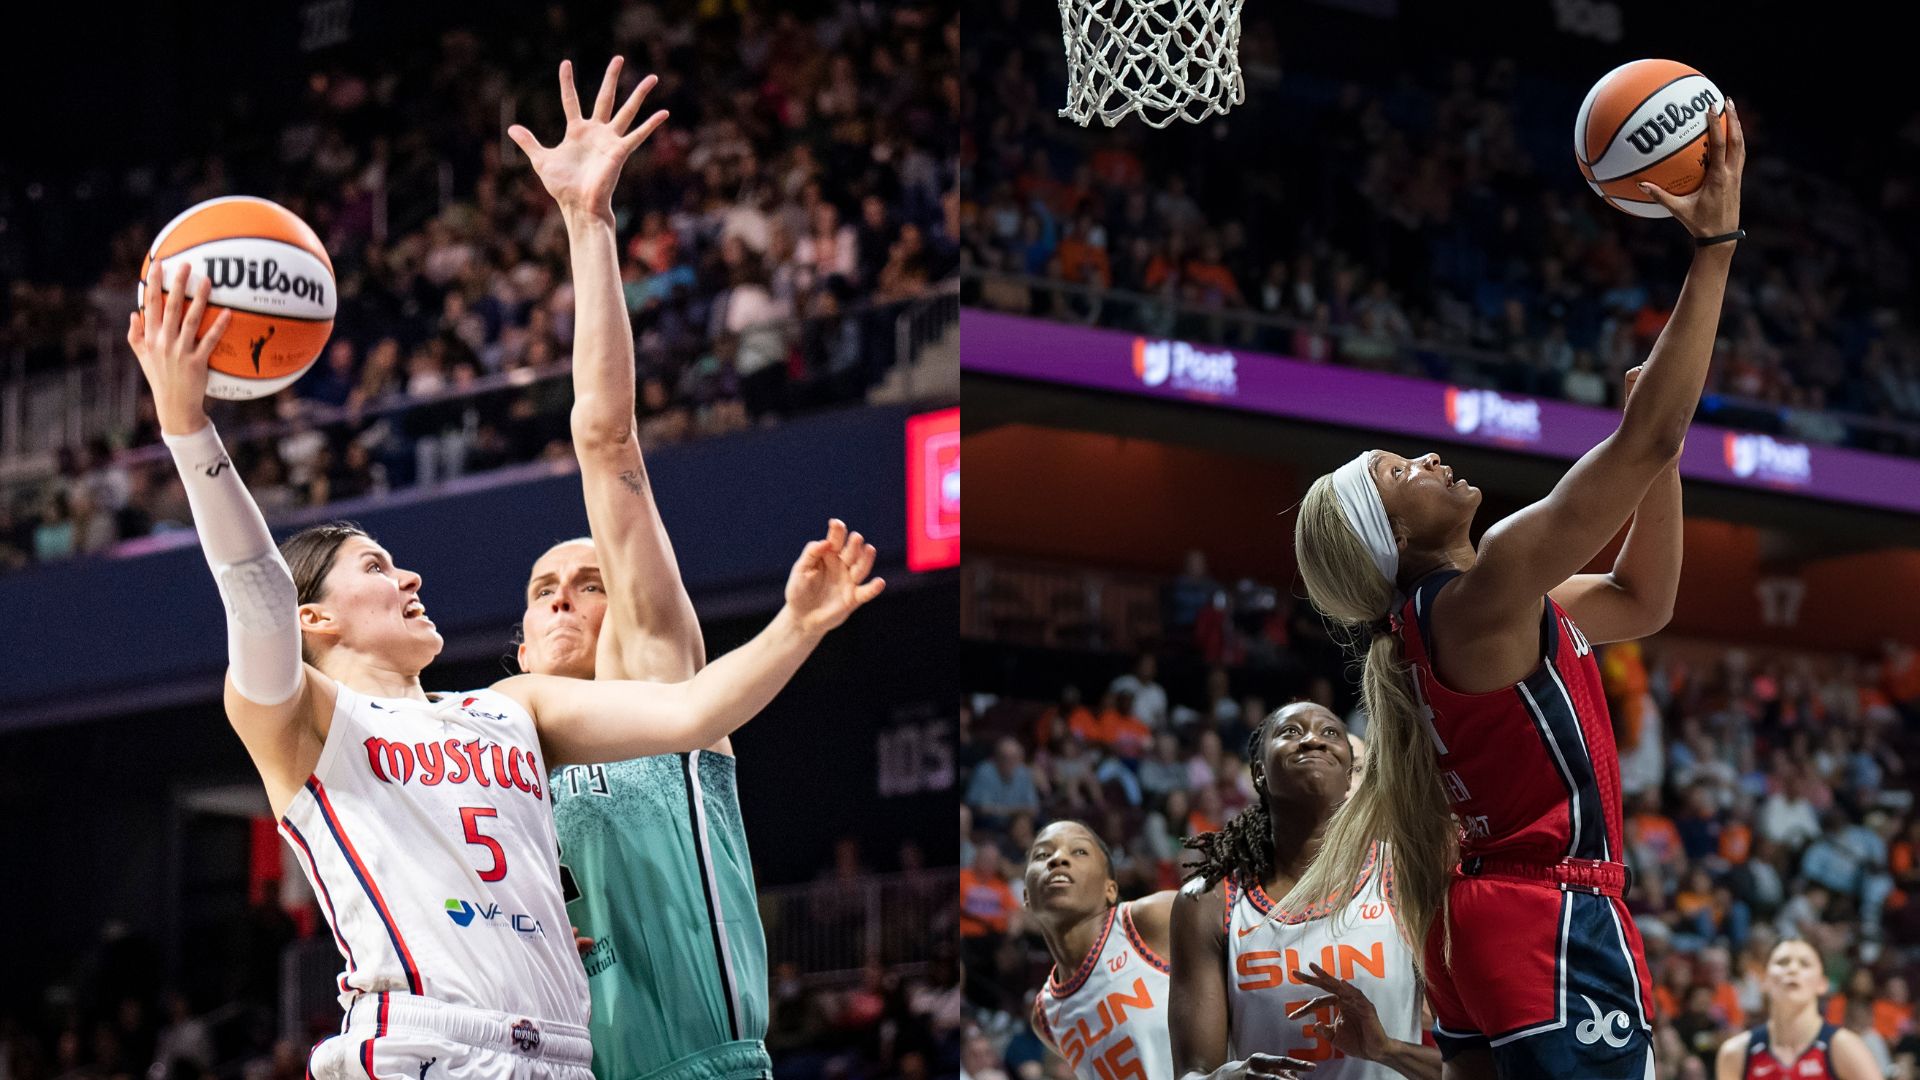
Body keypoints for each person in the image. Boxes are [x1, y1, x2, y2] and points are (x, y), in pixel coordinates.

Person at [127, 252, 883, 1078]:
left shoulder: (510, 709)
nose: (411, 576)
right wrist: (187, 427)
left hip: (560, 1056)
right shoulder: (308, 721)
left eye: (587, 585)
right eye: (377, 567)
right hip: (421, 1041)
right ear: (314, 618)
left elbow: (693, 709)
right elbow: (257, 592)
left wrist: (798, 624)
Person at [1287, 100, 1745, 1079]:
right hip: (1548, 918)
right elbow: (1648, 437)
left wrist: (1655, 463)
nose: (1423, 457)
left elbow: (1641, 598)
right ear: (1392, 541)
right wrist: (1712, 248)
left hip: (1485, 926)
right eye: (1394, 474)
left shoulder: (1467, 620)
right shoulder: (1484, 590)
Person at [506, 57, 776, 1080]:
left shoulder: (653, 680)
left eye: (589, 580)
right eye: (542, 591)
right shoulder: (506, 763)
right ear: (521, 647)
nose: (567, 596)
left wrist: (589, 223)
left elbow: (606, 439)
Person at [1170, 703, 1434, 1079]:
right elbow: (1192, 1073)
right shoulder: (1209, 901)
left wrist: (1387, 1051)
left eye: (1330, 733)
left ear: (1349, 775)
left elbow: (1475, 1062)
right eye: (1291, 732)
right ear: (1259, 772)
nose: (1313, 740)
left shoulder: (1406, 873)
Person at [1025, 820, 1175, 1080]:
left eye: (1079, 851)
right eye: (1042, 855)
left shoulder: (1152, 919)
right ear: (1026, 896)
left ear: (1110, 889)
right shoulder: (1045, 1017)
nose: (1057, 860)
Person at [1713, 939, 1878, 1079]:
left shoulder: (1844, 1047)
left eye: (1805, 964)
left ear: (1822, 984)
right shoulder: (1736, 1053)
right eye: (1782, 962)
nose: (1792, 969)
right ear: (1764, 981)